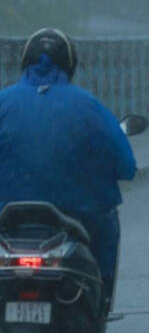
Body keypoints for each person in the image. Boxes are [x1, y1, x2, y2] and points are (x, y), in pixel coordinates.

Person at [0, 28, 136, 315]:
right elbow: (126, 166)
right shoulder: (88, 105)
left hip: (7, 213)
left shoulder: (4, 102)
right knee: (107, 227)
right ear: (70, 65)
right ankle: (100, 305)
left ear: (24, 62)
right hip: (79, 213)